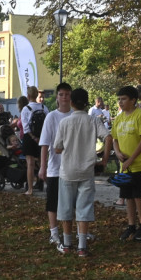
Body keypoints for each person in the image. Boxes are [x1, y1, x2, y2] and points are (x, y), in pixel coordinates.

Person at [54, 87, 109, 257]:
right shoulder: (93, 121)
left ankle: (67, 243)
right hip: (87, 170)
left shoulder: (65, 122)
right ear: (87, 103)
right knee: (84, 208)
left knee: (65, 207)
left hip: (68, 171)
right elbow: (108, 137)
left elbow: (57, 148)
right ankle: (82, 246)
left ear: (71, 102)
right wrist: (104, 159)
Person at [105, 85, 141, 241]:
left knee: (139, 196)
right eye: (119, 99)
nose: (120, 102)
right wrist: (118, 152)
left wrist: (132, 159)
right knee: (128, 196)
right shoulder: (119, 117)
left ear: (133, 100)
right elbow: (115, 139)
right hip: (125, 166)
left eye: (124, 99)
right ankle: (131, 226)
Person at [39, 82, 73, 248]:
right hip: (55, 168)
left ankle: (70, 232)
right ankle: (54, 233)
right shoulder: (51, 117)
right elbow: (45, 143)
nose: (64, 97)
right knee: (53, 202)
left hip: (73, 168)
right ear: (57, 97)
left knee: (71, 202)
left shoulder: (76, 115)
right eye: (61, 94)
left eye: (67, 94)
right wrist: (43, 166)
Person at [20, 85, 48, 196]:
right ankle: (46, 185)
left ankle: (30, 189)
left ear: (28, 96)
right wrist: (40, 138)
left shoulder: (25, 109)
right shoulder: (43, 108)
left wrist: (33, 137)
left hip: (30, 138)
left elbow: (25, 127)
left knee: (30, 164)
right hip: (42, 137)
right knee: (42, 163)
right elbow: (47, 124)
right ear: (37, 95)